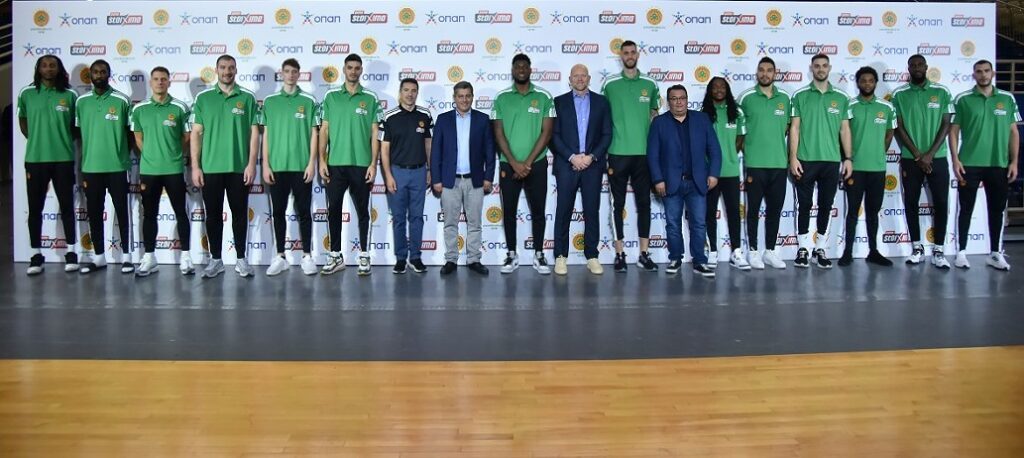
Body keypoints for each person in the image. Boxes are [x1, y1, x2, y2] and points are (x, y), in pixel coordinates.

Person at [190, 54, 260, 278]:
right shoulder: (203, 98)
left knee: (239, 215)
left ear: (236, 70)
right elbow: (196, 133)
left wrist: (252, 164)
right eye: (223, 67)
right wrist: (196, 167)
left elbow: (254, 134)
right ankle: (216, 260)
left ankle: (241, 259)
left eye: (231, 67)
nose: (227, 71)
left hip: (239, 168)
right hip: (210, 168)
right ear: (216, 70)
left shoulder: (247, 98)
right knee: (213, 216)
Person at [950, 59, 1021, 271]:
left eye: (986, 71)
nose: (983, 75)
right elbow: (953, 132)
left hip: (998, 164)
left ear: (993, 73)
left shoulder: (1007, 99)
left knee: (997, 210)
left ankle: (995, 253)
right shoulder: (963, 99)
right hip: (969, 164)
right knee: (966, 209)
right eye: (979, 71)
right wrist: (956, 159)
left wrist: (1014, 161)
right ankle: (961, 253)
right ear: (974, 75)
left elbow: (1013, 132)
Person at [648, 85, 721, 278]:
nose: (679, 102)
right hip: (670, 183)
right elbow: (653, 155)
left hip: (697, 182)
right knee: (673, 224)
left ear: (687, 100)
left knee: (699, 224)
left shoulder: (702, 119)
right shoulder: (659, 123)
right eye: (674, 98)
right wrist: (658, 179)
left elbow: (714, 150)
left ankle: (700, 261)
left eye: (682, 98)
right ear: (668, 102)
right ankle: (675, 259)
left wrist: (713, 174)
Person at [492, 53, 555, 274]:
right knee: (509, 211)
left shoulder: (544, 96)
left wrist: (526, 163)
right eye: (517, 66)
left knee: (538, 211)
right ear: (512, 70)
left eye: (524, 66)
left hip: (536, 164)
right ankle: (511, 254)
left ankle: (539, 253)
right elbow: (498, 133)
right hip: (508, 165)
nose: (521, 69)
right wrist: (514, 162)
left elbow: (547, 133)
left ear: (530, 70)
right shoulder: (501, 98)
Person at [789, 53, 853, 269]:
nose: (821, 69)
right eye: (817, 66)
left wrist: (848, 158)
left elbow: (845, 130)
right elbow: (794, 128)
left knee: (826, 205)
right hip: (805, 160)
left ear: (829, 68)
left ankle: (820, 248)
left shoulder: (841, 98)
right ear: (811, 69)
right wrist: (793, 157)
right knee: (804, 205)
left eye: (824, 65)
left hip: (831, 161)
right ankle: (803, 248)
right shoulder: (800, 96)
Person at [319, 53, 380, 276]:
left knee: (363, 212)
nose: (353, 71)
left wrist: (373, 164)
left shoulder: (370, 98)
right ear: (344, 69)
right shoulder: (331, 96)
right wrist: (322, 160)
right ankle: (336, 255)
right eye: (350, 67)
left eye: (357, 68)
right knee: (334, 210)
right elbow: (324, 130)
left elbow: (375, 133)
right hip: (335, 164)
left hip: (362, 164)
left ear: (361, 70)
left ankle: (364, 255)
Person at [602, 40, 660, 272]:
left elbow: (654, 114)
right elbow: (602, 116)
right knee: (617, 205)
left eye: (632, 52)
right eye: (625, 53)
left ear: (637, 55)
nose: (629, 55)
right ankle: (619, 254)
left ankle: (644, 254)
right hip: (617, 153)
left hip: (644, 155)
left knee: (644, 203)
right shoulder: (609, 84)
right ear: (621, 56)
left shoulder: (650, 83)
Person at [17, 54, 79, 275]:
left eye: (53, 65)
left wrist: (60, 140)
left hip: (63, 159)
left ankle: (71, 253)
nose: (49, 69)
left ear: (59, 69)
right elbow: (23, 123)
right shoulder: (27, 93)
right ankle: (36, 255)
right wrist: (38, 139)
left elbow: (76, 127)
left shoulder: (70, 94)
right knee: (35, 209)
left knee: (67, 207)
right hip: (35, 160)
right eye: (44, 65)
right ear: (39, 69)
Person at [891, 54, 954, 268]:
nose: (917, 68)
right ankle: (917, 247)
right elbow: (898, 127)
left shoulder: (942, 91)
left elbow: (946, 124)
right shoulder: (899, 94)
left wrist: (930, 154)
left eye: (920, 64)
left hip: (938, 157)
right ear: (908, 68)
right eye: (913, 65)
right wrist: (918, 155)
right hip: (911, 159)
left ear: (926, 67)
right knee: (911, 202)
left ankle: (939, 250)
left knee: (942, 202)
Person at [131, 66, 194, 276]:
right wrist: (152, 155)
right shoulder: (139, 109)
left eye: (163, 79)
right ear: (151, 82)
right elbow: (138, 138)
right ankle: (149, 257)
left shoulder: (179, 107)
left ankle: (186, 257)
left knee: (180, 212)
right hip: (149, 171)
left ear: (169, 82)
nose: (160, 82)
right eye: (156, 79)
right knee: (149, 214)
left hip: (174, 169)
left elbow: (186, 137)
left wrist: (173, 154)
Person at [550, 64, 612, 276]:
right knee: (563, 211)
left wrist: (591, 157)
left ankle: (592, 256)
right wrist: (572, 157)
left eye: (583, 75)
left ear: (588, 78)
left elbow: (607, 134)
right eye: (575, 76)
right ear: (570, 79)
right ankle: (560, 256)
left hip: (592, 165)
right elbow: (553, 135)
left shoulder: (602, 102)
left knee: (592, 211)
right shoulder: (558, 102)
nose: (579, 79)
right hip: (567, 164)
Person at [260, 58, 320, 276]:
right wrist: (265, 165)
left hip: (301, 167)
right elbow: (265, 135)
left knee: (304, 212)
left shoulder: (309, 100)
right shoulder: (270, 101)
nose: (291, 75)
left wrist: (311, 163)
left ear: (299, 74)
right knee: (278, 212)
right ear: (281, 74)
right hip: (276, 167)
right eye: (287, 71)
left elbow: (314, 134)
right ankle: (280, 256)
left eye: (295, 71)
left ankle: (307, 256)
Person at [430, 81, 495, 276]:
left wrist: (488, 177)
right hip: (449, 181)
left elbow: (490, 151)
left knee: (475, 223)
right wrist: (436, 179)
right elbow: (436, 151)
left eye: (468, 96)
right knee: (450, 223)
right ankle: (451, 259)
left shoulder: (483, 119)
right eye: (460, 96)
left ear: (472, 97)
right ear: (454, 98)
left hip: (475, 180)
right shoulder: (443, 119)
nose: (464, 100)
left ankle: (474, 259)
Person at [76, 59, 134, 275]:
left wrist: (119, 154)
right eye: (95, 72)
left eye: (103, 72)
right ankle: (99, 257)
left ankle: (127, 257)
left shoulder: (122, 100)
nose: (99, 75)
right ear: (90, 75)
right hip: (91, 167)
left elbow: (130, 134)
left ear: (109, 75)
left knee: (122, 212)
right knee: (94, 212)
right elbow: (78, 134)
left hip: (117, 167)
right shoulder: (81, 102)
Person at [736, 57, 791, 270]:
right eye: (761, 70)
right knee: (753, 211)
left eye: (769, 70)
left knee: (775, 210)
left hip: (779, 164)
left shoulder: (784, 98)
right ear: (757, 72)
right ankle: (753, 251)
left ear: (775, 73)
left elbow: (787, 128)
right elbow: (738, 129)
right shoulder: (746, 98)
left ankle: (770, 251)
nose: (765, 74)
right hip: (755, 164)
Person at [839, 66, 896, 267]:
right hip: (855, 169)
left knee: (873, 212)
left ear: (876, 83)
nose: (867, 84)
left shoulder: (886, 107)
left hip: (877, 169)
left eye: (871, 80)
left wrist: (880, 152)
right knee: (852, 211)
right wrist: (847, 158)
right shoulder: (849, 105)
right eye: (863, 80)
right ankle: (847, 252)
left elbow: (890, 133)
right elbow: (842, 134)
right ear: (857, 83)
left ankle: (873, 251)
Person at [380, 78, 433, 274]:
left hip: (419, 172)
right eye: (406, 90)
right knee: (399, 218)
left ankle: (416, 257)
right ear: (400, 92)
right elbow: (384, 150)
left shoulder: (425, 115)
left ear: (417, 93)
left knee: (417, 217)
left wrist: (430, 170)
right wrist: (388, 176)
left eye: (413, 90)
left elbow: (428, 145)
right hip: (397, 173)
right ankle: (401, 258)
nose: (410, 94)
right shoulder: (389, 117)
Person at [700, 77, 750, 270]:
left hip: (730, 171)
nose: (719, 90)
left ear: (727, 89)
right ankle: (712, 251)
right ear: (710, 90)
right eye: (715, 87)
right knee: (709, 213)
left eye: (722, 86)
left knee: (734, 213)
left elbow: (740, 139)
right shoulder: (704, 114)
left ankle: (736, 252)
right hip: (710, 173)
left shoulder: (737, 112)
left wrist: (727, 155)